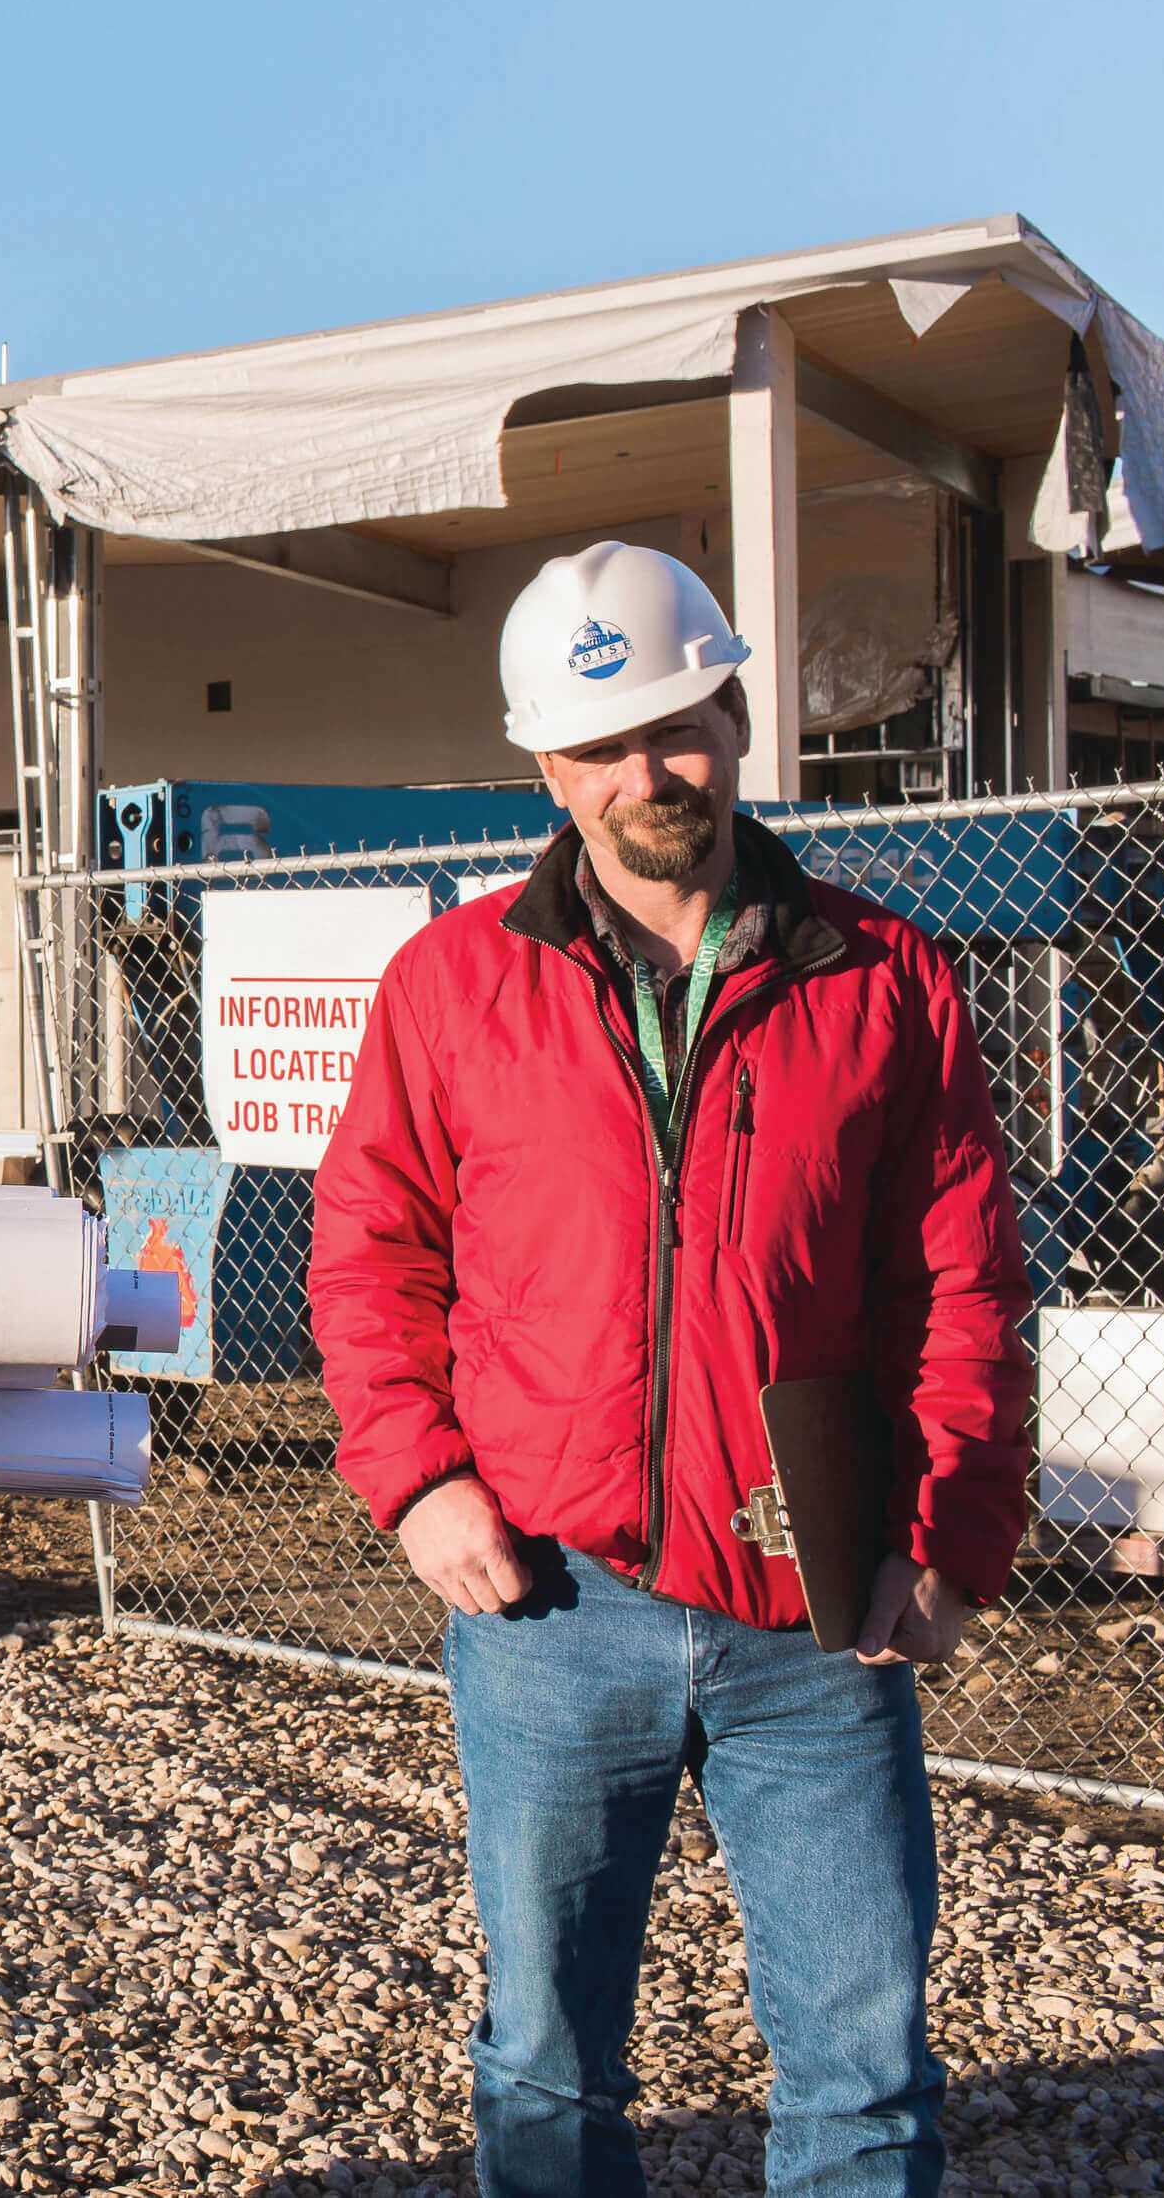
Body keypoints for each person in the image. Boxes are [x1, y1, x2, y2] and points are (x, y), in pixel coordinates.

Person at [310, 541, 1034, 2198]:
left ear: (734, 713)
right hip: (552, 1602)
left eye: (683, 723)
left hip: (818, 1608)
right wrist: (417, 1479)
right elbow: (370, 1258)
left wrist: (950, 1533)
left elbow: (964, 1288)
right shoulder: (455, 986)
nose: (654, 773)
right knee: (548, 2062)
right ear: (547, 768)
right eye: (605, 742)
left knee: (861, 2069)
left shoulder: (885, 978)